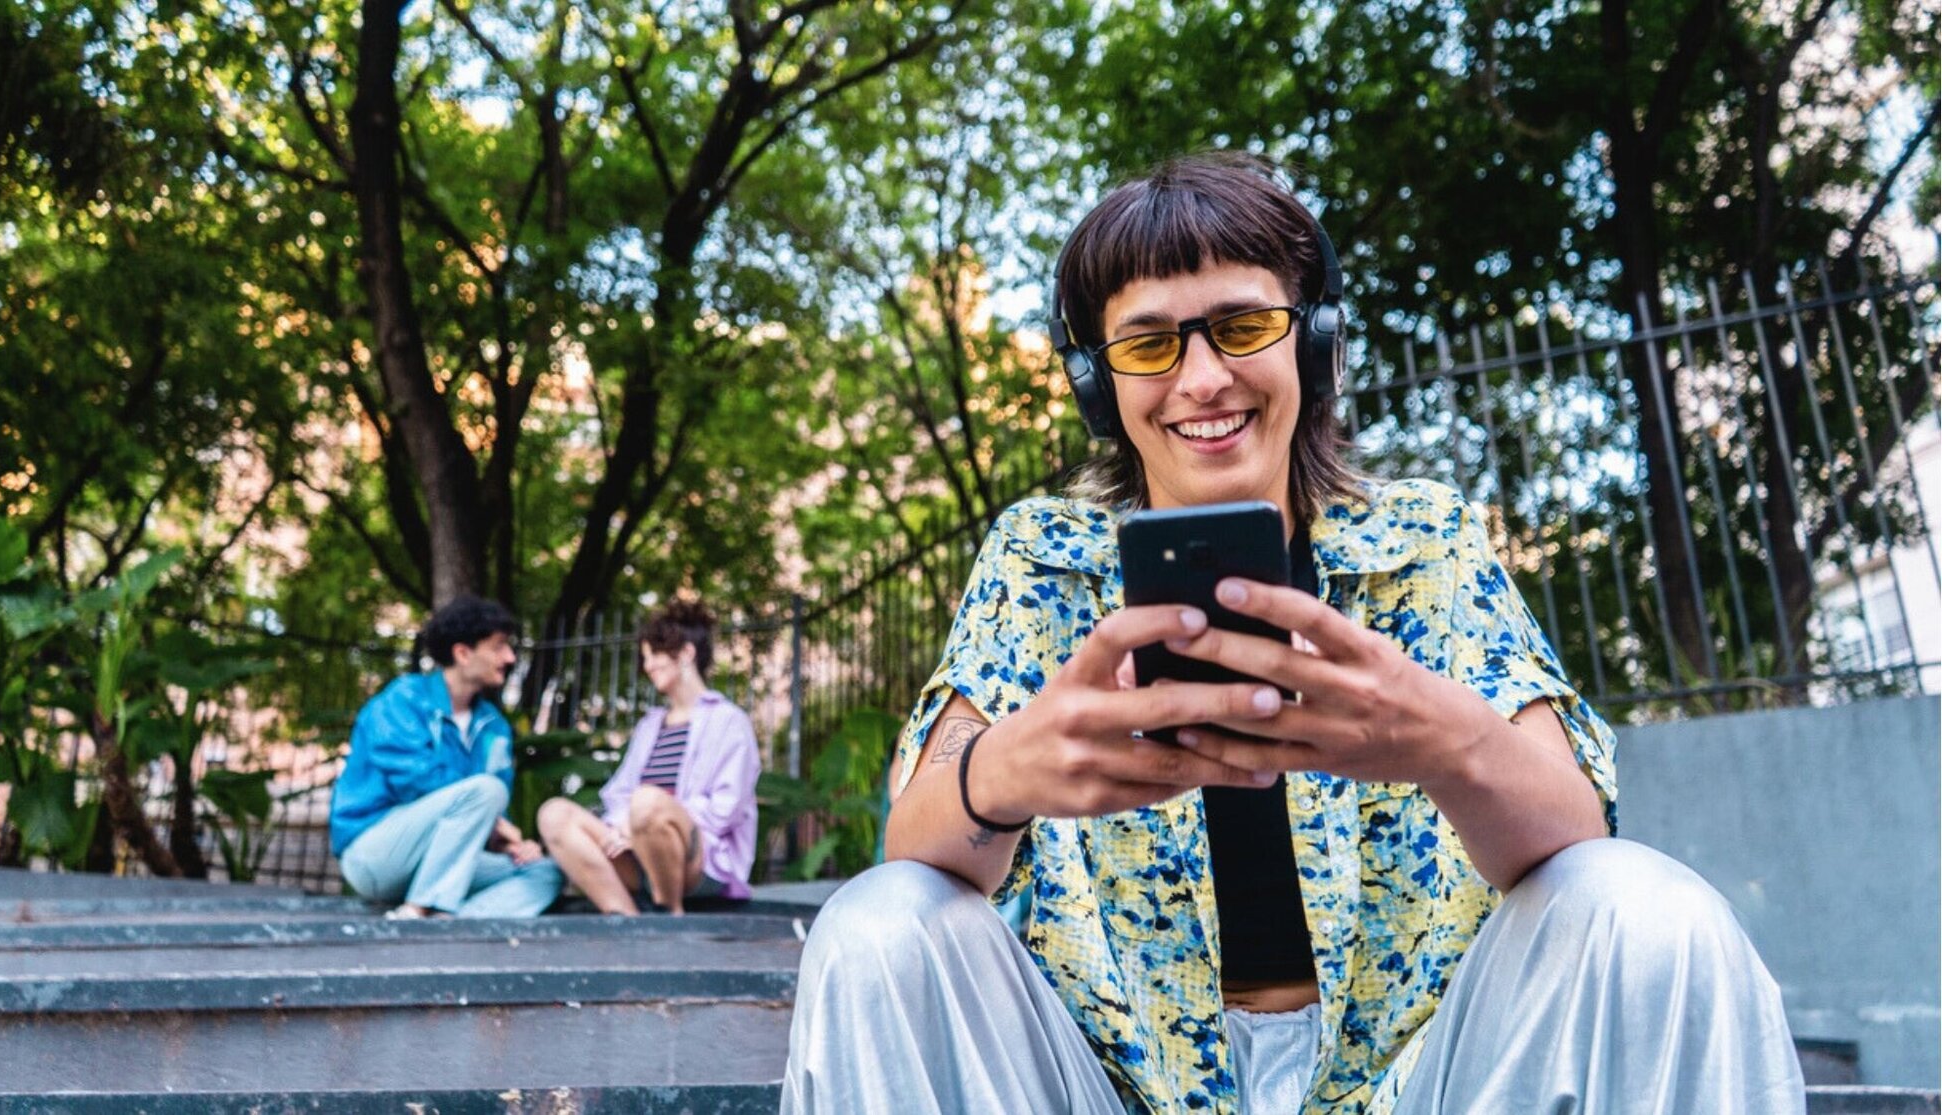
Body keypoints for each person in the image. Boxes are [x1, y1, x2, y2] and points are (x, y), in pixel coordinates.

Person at [782, 152, 1805, 1114]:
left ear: (1311, 342)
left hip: (1415, 1083)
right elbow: (913, 839)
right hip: (1109, 1088)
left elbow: (1577, 831)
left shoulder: (1425, 544)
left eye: (1240, 325)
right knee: (879, 926)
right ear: (1100, 383)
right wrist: (998, 773)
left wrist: (1442, 740)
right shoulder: (1038, 561)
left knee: (1645, 906)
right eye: (1148, 343)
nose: (1201, 378)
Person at [329, 596, 563, 919]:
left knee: (546, 872)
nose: (509, 657)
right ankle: (421, 908)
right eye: (498, 647)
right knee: (487, 790)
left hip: (446, 861)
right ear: (463, 653)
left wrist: (509, 844)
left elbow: (482, 813)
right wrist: (495, 821)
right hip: (374, 853)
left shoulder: (494, 726)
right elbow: (417, 781)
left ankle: (448, 922)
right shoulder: (402, 700)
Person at [538, 599, 761, 915]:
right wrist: (623, 827)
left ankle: (670, 912)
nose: (648, 666)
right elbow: (619, 793)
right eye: (645, 657)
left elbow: (725, 809)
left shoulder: (728, 720)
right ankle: (629, 920)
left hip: (700, 860)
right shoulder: (650, 725)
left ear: (686, 653)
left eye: (655, 655)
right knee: (554, 814)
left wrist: (648, 820)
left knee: (646, 802)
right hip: (636, 852)